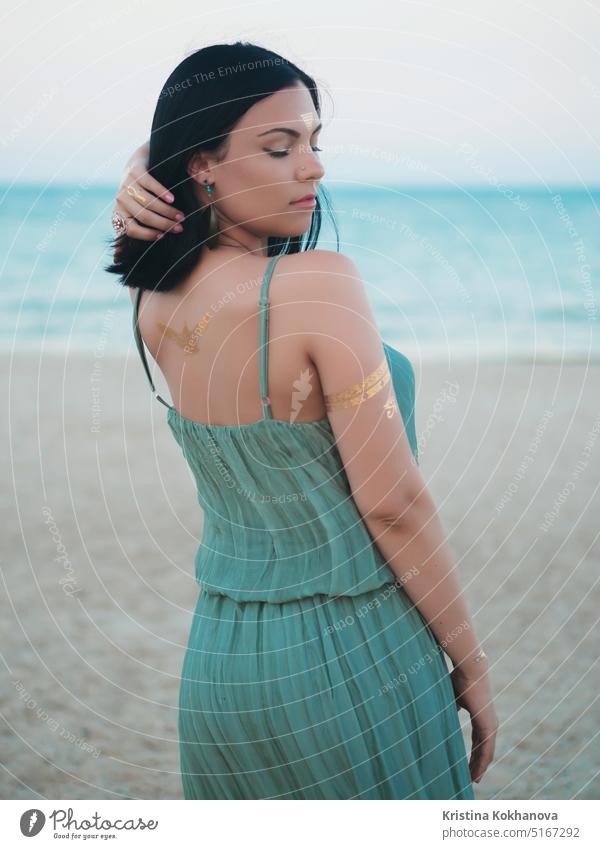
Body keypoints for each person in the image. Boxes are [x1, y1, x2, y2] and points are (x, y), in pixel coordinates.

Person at [106, 41, 498, 800]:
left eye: (314, 143)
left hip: (220, 664)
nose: (312, 167)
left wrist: (143, 164)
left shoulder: (149, 298)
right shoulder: (318, 285)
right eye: (280, 147)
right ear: (202, 165)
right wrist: (473, 668)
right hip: (350, 653)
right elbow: (395, 504)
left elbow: (168, 200)